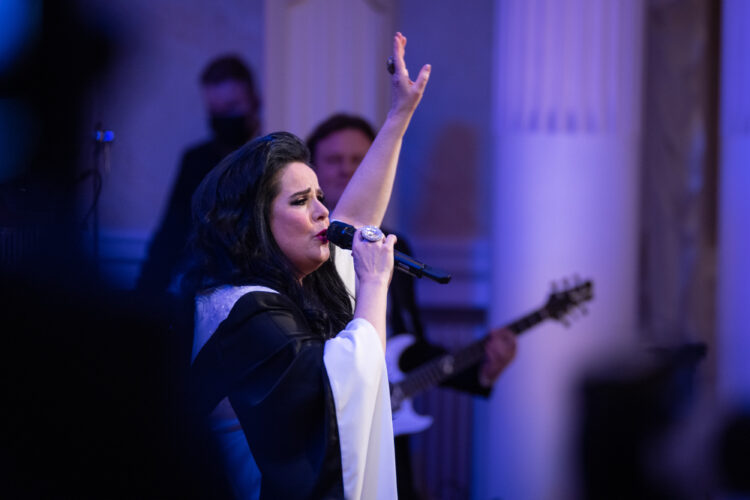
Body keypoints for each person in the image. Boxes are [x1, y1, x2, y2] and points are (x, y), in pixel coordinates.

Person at [186, 33, 430, 499]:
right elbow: (344, 394)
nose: (324, 212)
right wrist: (375, 281)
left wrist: (400, 115)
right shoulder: (242, 311)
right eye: (302, 201)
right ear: (254, 222)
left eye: (320, 196)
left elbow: (354, 218)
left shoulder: (284, 284)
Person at [306, 112, 518, 499]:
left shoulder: (395, 247)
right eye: (334, 161)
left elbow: (409, 347)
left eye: (359, 160)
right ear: (313, 171)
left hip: (389, 418)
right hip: (325, 424)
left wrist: (481, 370)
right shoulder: (303, 253)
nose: (348, 170)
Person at [137, 54, 261, 294]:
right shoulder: (196, 160)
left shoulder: (275, 160)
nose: (224, 119)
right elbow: (171, 232)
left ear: (255, 101)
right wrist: (142, 297)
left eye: (232, 108)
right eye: (215, 111)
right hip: (203, 285)